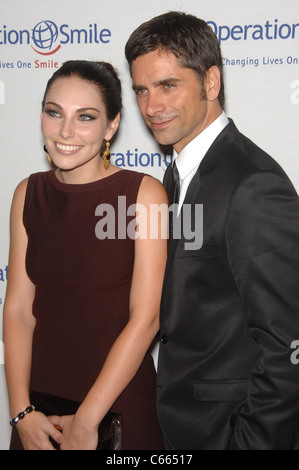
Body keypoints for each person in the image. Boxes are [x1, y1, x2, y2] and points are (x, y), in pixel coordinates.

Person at [125, 11, 299, 449]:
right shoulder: (174, 178)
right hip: (182, 426)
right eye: (141, 90)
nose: (151, 107)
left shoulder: (253, 185)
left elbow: (287, 345)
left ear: (211, 83)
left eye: (168, 85)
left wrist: (251, 443)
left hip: (230, 431)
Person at [3, 60, 167, 450]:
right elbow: (19, 311)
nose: (65, 131)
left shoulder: (144, 194)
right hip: (37, 415)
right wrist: (21, 412)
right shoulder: (28, 193)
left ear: (112, 126)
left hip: (119, 412)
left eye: (86, 117)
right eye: (54, 112)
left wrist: (87, 420)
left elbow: (146, 319)